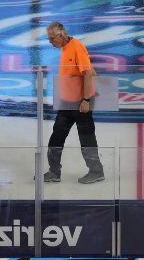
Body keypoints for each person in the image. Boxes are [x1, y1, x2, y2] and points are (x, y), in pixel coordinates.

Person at [44, 21, 104, 184]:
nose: (50, 42)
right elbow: (90, 70)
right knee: (57, 135)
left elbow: (87, 74)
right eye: (48, 39)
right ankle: (54, 172)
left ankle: (96, 171)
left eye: (51, 39)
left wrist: (86, 100)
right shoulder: (65, 47)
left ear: (61, 35)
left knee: (86, 137)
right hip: (67, 102)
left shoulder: (77, 46)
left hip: (80, 103)